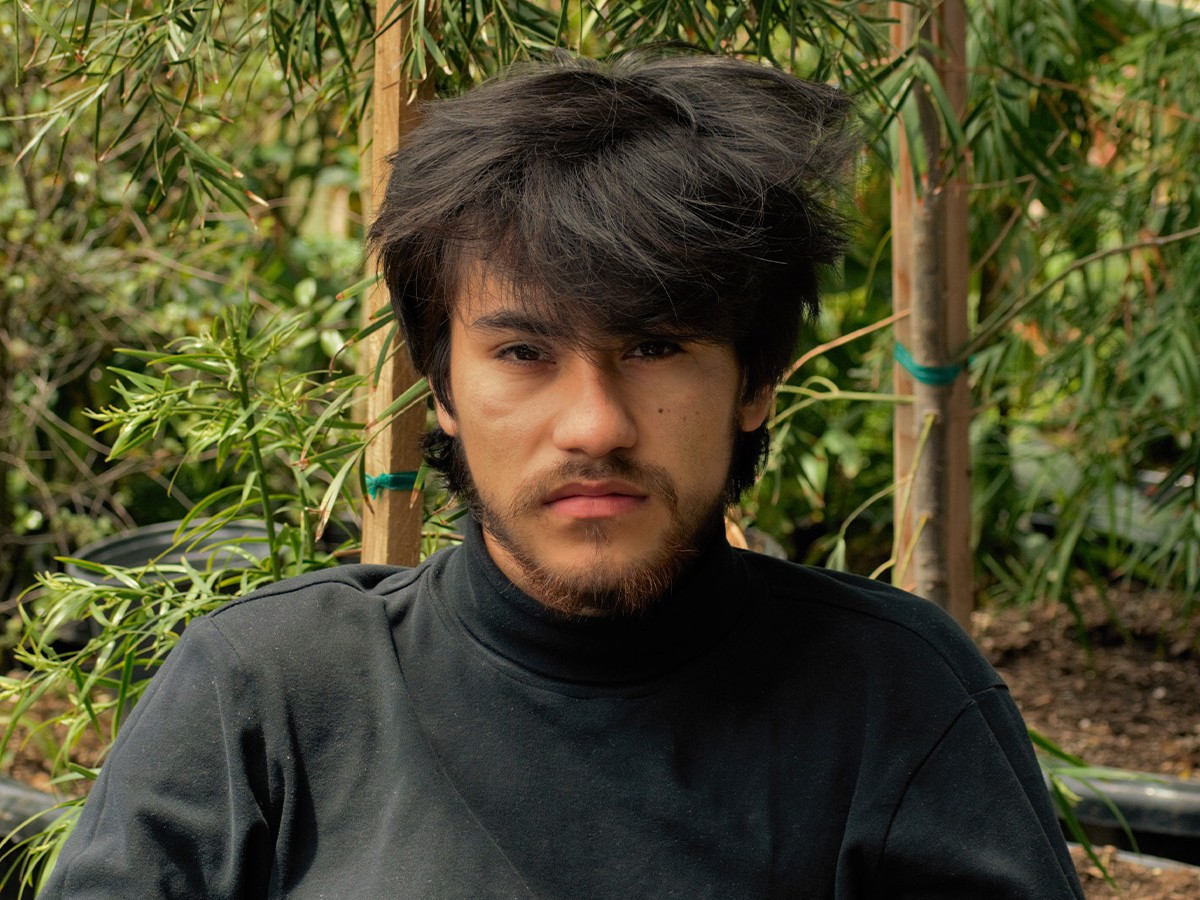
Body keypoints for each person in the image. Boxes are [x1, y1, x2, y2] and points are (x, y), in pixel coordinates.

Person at [42, 52, 1084, 898]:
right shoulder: (268, 694)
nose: (595, 425)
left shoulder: (893, 698)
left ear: (756, 380)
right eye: (524, 353)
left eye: (658, 346)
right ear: (442, 390)